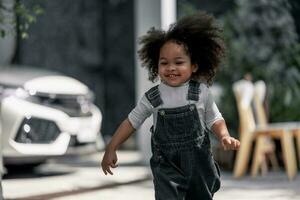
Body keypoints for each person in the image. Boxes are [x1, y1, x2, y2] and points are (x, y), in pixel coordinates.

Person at [101, 12, 240, 200]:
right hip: (166, 165)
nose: (171, 68)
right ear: (155, 65)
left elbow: (214, 117)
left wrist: (224, 135)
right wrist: (112, 147)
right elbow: (131, 122)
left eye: (179, 62)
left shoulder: (200, 92)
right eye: (164, 63)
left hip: (198, 164)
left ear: (194, 66)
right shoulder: (153, 97)